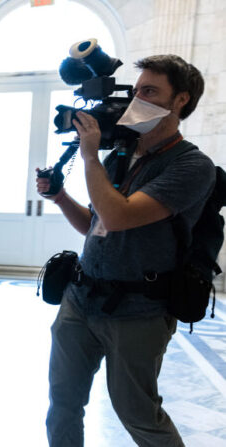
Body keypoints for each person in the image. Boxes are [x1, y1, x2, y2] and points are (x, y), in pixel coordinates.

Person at [37, 55, 213, 447]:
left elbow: (118, 217)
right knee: (62, 403)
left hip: (138, 310)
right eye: (136, 91)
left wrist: (87, 155)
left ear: (181, 99)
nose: (138, 100)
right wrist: (61, 196)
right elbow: (95, 226)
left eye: (150, 91)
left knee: (137, 413)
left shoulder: (191, 166)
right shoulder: (121, 156)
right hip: (81, 299)